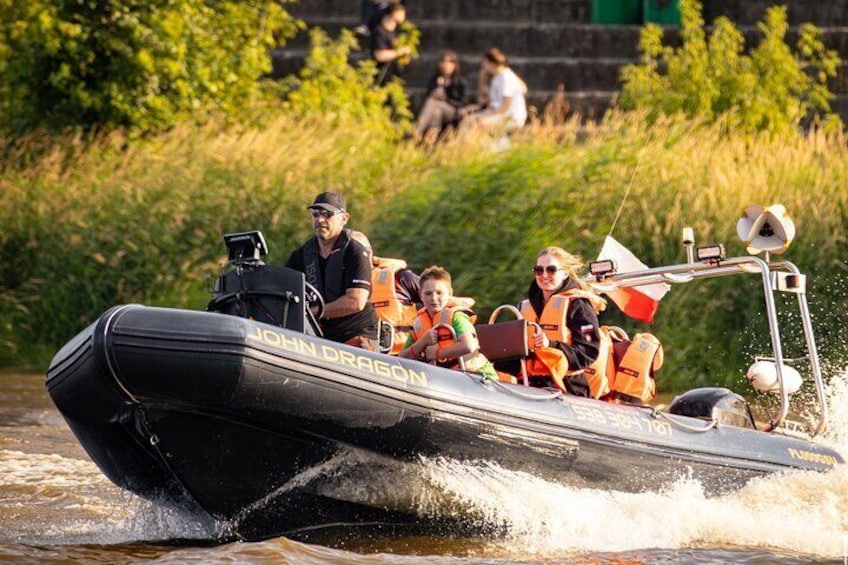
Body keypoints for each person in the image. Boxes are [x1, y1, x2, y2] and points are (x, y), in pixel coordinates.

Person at [349, 231, 475, 354]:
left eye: (352, 253)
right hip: (358, 353)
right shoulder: (336, 284)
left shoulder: (400, 278)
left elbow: (434, 295)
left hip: (399, 355)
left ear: (369, 252)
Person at [286, 192, 379, 349]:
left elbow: (356, 302)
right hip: (319, 335)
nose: (320, 220)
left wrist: (313, 312)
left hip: (355, 332)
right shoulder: (301, 255)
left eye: (327, 214)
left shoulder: (354, 251)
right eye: (315, 214)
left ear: (344, 218)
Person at [519, 247, 609, 398]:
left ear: (565, 273)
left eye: (551, 270)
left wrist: (551, 345)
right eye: (539, 270)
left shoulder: (578, 306)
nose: (544, 275)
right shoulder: (526, 306)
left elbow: (587, 353)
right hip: (530, 382)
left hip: (568, 387)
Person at [399, 266, 497, 380]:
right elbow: (402, 356)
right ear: (421, 294)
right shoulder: (418, 324)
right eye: (428, 293)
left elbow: (469, 346)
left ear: (449, 293)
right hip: (446, 379)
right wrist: (422, 342)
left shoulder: (456, 316)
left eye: (439, 293)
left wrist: (438, 354)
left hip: (476, 376)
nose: (434, 298)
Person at [465, 48, 528, 131]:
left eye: (484, 62)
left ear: (490, 62)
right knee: (467, 120)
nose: (482, 65)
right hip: (499, 113)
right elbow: (484, 100)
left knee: (479, 124)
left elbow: (506, 104)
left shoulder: (506, 77)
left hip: (511, 117)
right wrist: (481, 79)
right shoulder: (496, 78)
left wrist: (492, 115)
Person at [415, 50, 469, 141]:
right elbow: (427, 99)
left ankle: (417, 130)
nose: (446, 64)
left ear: (454, 65)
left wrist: (445, 98)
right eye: (443, 61)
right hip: (436, 110)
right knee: (436, 110)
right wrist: (438, 87)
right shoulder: (434, 79)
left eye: (449, 62)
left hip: (452, 112)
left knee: (434, 102)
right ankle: (432, 139)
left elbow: (463, 103)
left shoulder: (460, 82)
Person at [370, 3, 410, 86]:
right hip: (381, 77)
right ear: (394, 13)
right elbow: (379, 55)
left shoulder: (398, 32)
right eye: (402, 13)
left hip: (395, 76)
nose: (404, 16)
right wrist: (400, 52)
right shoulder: (379, 32)